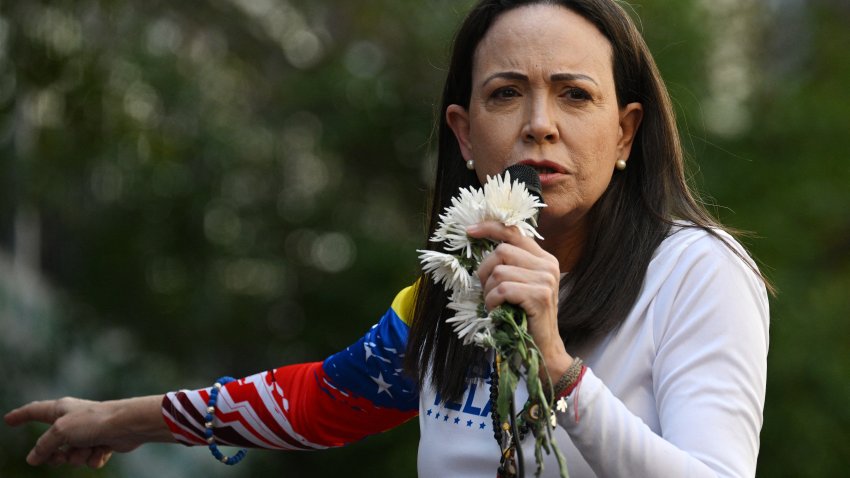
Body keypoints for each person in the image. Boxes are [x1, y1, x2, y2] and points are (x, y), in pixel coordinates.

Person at [4, 0, 770, 476]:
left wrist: (560, 371)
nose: (540, 122)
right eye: (507, 93)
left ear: (627, 132)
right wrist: (121, 420)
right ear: (465, 135)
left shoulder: (696, 273)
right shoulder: (453, 289)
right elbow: (322, 400)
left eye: (575, 94)